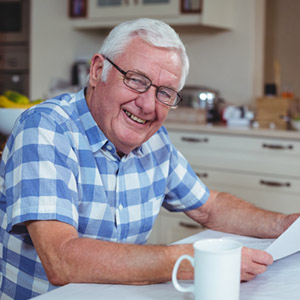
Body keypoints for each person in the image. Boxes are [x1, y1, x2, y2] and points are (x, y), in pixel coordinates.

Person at [0, 18, 299, 299]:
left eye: (165, 93)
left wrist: (286, 225)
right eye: (135, 80)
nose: (147, 105)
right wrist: (191, 261)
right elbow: (61, 259)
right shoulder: (46, 128)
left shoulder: (154, 140)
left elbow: (210, 207)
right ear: (97, 71)